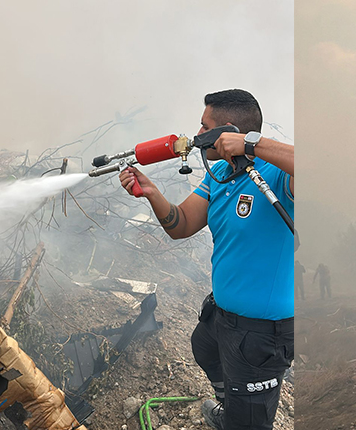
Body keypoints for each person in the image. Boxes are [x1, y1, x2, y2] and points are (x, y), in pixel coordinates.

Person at [119, 89, 293, 430]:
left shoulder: (276, 176)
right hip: (224, 316)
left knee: (249, 424)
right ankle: (231, 410)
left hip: (261, 335)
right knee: (204, 346)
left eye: (204, 127)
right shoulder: (221, 175)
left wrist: (251, 144)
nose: (197, 135)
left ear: (227, 133)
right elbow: (181, 224)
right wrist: (152, 193)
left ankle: (239, 418)